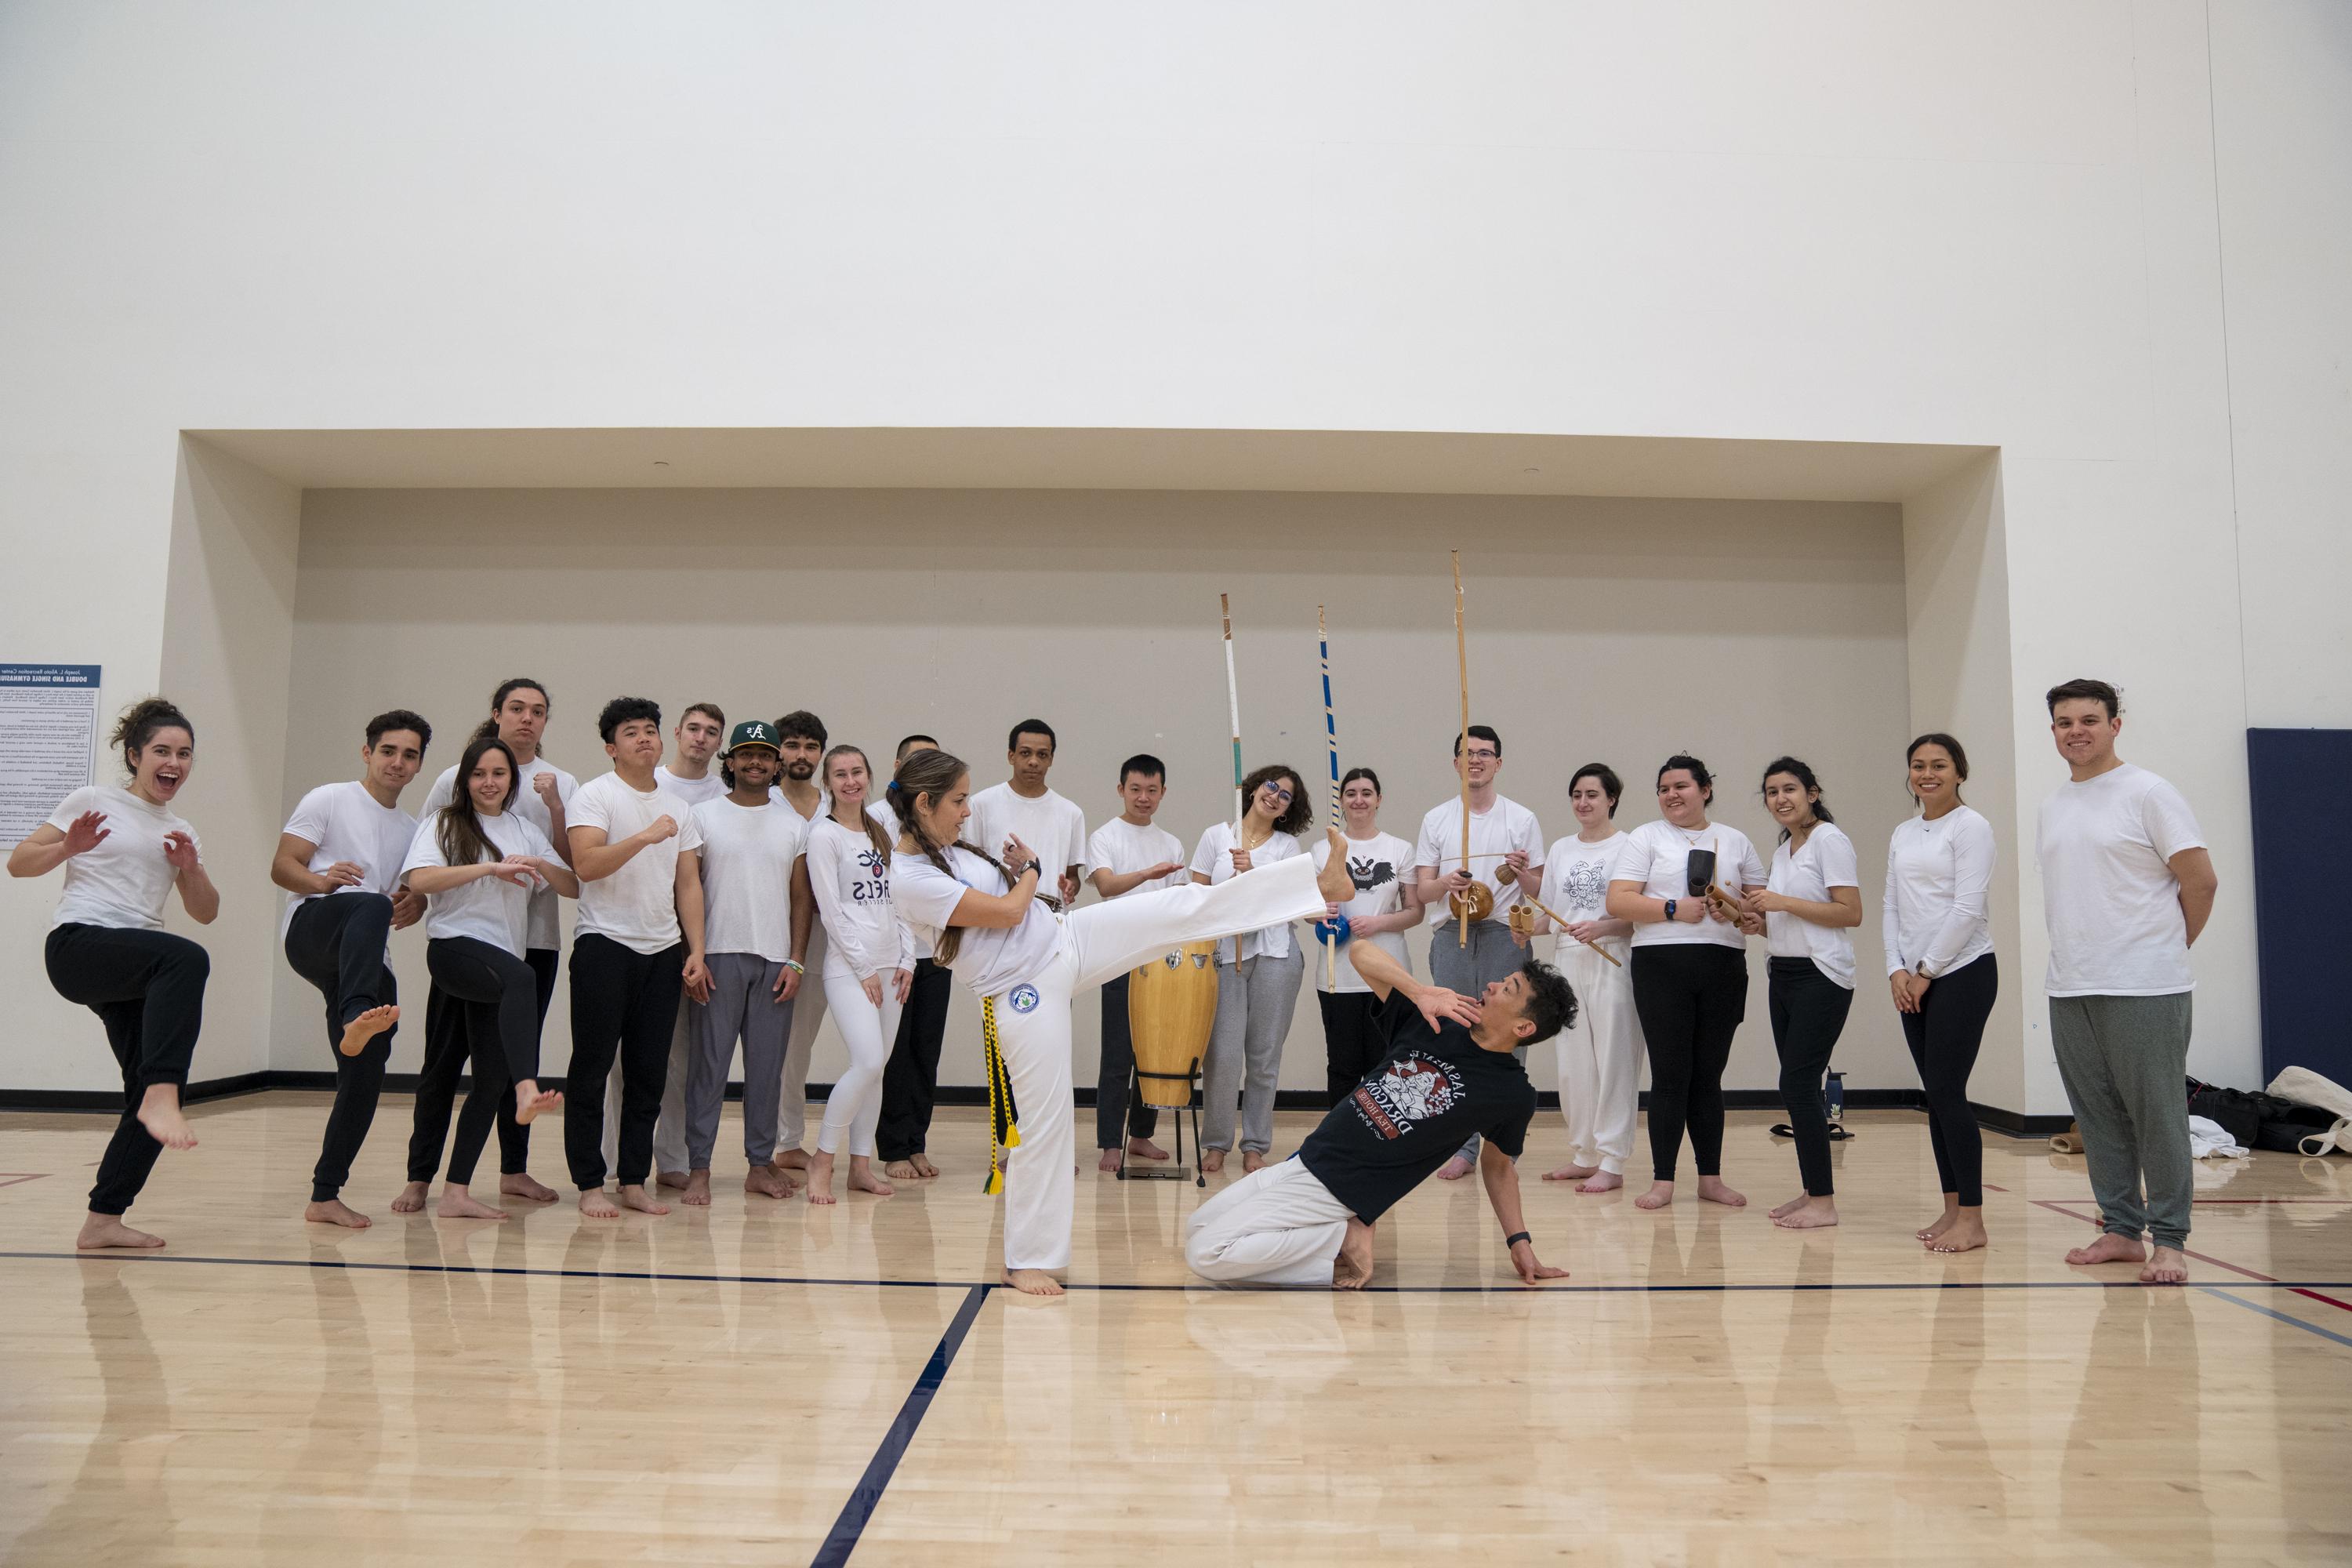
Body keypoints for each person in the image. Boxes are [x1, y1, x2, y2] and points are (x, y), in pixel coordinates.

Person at [887, 748, 1358, 1295]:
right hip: (1024, 991)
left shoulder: (949, 850)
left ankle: (1319, 888)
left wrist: (1017, 871)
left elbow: (1012, 908)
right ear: (923, 804)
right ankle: (1026, 1260)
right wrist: (1033, 869)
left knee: (1181, 905)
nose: (966, 811)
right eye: (958, 801)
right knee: (1046, 1125)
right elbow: (1010, 913)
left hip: (1064, 939)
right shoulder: (912, 877)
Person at [1184, 938, 1575, 1289]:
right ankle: (1339, 1235)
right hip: (1308, 1159)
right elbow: (1359, 952)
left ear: (1523, 1026)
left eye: (1508, 989)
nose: (1491, 985)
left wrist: (1518, 1242)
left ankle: (1340, 1238)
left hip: (1340, 1187)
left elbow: (1499, 1167)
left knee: (1206, 1253)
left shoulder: (1511, 1093)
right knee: (1196, 1226)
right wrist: (1419, 991)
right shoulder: (1438, 1019)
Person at [9, 698, 216, 1251]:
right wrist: (66, 847)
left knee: (142, 1097)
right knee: (187, 958)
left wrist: (191, 869)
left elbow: (205, 911)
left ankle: (103, 1219)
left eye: (184, 754)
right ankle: (163, 1091)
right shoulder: (94, 800)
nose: (174, 762)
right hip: (79, 945)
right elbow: (18, 862)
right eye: (162, 751)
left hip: (135, 965)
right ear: (135, 755)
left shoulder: (182, 829)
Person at [2038, 678, 2217, 1287]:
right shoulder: (2055, 803)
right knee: (2098, 1115)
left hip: (2145, 985)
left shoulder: (2149, 793)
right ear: (2054, 731)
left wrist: (2168, 947)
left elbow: (2201, 881)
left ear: (2117, 724)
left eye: (2089, 719)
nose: (2076, 731)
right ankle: (2120, 1230)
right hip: (2071, 984)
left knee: (2157, 1114)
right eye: (2065, 722)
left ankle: (2170, 1241)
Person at [397, 677, 575, 1212]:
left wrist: (544, 855)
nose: (489, 781)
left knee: (489, 1072)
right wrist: (489, 868)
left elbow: (572, 880)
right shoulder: (448, 815)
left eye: (537, 711)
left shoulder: (533, 813)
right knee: (442, 1067)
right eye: (516, 708)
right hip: (458, 948)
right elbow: (422, 875)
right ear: (496, 713)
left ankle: (458, 1190)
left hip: (516, 948)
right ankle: (420, 1176)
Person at [271, 708, 430, 1229]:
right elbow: (283, 866)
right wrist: (322, 881)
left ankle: (324, 1195)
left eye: (409, 755)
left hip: (364, 952)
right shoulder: (330, 798)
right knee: (368, 903)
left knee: (365, 1075)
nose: (397, 762)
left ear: (419, 765)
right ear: (368, 753)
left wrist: (414, 905)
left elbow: (410, 894)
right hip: (315, 929)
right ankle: (355, 1014)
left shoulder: (413, 829)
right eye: (388, 751)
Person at [564, 697, 710, 1219]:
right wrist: (645, 835)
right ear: (612, 747)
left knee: (649, 1072)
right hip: (605, 945)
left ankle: (632, 1179)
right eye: (632, 733)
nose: (645, 738)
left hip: (662, 950)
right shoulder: (594, 796)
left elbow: (687, 883)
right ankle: (588, 1183)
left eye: (651, 730)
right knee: (593, 1066)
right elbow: (586, 865)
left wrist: (695, 950)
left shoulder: (681, 807)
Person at [1606, 753, 1766, 1211]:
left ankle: (1711, 1178)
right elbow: (1618, 901)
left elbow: (1759, 908)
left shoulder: (1734, 840)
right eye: (1664, 789)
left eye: (1681, 786)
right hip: (1662, 965)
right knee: (1670, 1074)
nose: (1672, 795)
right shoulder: (1646, 837)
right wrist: (1673, 909)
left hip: (1723, 965)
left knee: (1709, 1076)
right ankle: (1663, 1181)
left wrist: (1731, 911)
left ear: (1705, 790)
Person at [681, 720, 813, 1205]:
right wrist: (694, 954)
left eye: (764, 754)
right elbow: (687, 889)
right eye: (745, 754)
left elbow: (802, 899)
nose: (755, 762)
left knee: (766, 1070)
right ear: (730, 761)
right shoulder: (703, 815)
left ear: (777, 764)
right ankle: (699, 1169)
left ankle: (760, 1164)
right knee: (708, 1070)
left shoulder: (793, 825)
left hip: (776, 962)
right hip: (718, 957)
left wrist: (796, 961)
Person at [1412, 724, 1545, 1179]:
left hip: (1505, 935)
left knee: (1507, 1036)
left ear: (1499, 763)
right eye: (1467, 753)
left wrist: (1522, 874)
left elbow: (1538, 888)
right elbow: (1424, 891)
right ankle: (1460, 1144)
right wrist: (1445, 884)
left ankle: (1502, 1145)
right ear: (1455, 763)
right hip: (1453, 934)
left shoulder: (1521, 818)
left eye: (1485, 753)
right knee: (1454, 1032)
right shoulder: (1437, 819)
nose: (1476, 760)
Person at [1884, 732, 1998, 1254]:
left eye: (1939, 765)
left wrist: (1927, 970)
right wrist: (1895, 970)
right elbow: (1892, 907)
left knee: (1949, 1092)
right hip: (1913, 977)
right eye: (1918, 765)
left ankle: (1973, 1219)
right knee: (1936, 1097)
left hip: (1963, 972)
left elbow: (1967, 908)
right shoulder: (1904, 832)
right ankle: (1952, 1208)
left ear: (1959, 772)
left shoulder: (1971, 827)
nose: (1927, 774)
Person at [1743, 757, 1862, 1231]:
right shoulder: (1786, 848)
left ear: (1813, 793)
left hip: (1822, 975)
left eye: (1790, 789)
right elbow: (1785, 919)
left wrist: (1780, 903)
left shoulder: (1831, 841)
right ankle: (1815, 1191)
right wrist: (1756, 920)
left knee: (1796, 1083)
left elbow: (1849, 912)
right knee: (1799, 1087)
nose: (1780, 799)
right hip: (1785, 972)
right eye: (1772, 792)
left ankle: (1824, 1203)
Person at [1515, 763, 1639, 1192]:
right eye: (1577, 795)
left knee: (1613, 1060)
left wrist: (1602, 928)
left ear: (1612, 799)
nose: (1583, 803)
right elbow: (1551, 917)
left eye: (1592, 795)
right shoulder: (1563, 848)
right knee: (1572, 1064)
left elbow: (1637, 916)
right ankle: (1584, 1153)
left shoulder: (1631, 847)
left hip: (1612, 958)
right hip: (1568, 961)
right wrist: (1524, 928)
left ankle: (1613, 1160)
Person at [1190, 764, 1314, 1174]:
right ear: (1254, 788)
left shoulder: (1286, 848)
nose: (1275, 796)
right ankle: (1216, 1143)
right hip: (1227, 955)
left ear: (1287, 810)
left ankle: (1255, 1145)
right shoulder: (1216, 837)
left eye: (1285, 796)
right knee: (1222, 1055)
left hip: (1276, 956)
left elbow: (1289, 899)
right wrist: (1232, 887)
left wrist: (1253, 873)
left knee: (1263, 1057)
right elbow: (1197, 897)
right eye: (1271, 786)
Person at [804, 743, 914, 1203]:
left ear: (869, 776)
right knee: (867, 1061)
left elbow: (902, 900)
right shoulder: (823, 836)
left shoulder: (881, 831)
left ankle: (860, 1167)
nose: (850, 781)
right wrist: (865, 967)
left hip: (893, 966)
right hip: (850, 969)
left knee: (878, 1071)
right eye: (840, 774)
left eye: (857, 772)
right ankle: (822, 1160)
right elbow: (831, 913)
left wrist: (907, 960)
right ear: (827, 783)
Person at [1084, 753, 1189, 1171]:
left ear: (1163, 792)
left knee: (1153, 1053)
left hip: (1160, 962)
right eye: (1135, 789)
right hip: (1118, 958)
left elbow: (1180, 902)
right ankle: (1110, 1141)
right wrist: (1148, 875)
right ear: (1120, 789)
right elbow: (1106, 886)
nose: (1143, 798)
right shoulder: (1105, 836)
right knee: (1117, 1055)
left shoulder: (1172, 842)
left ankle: (1141, 1135)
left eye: (1152, 790)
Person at [648, 701, 729, 1187]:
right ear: (677, 733)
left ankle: (673, 1160)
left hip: (700, 942)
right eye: (693, 728)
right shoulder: (650, 785)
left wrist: (697, 946)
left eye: (711, 732)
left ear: (720, 744)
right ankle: (616, 1163)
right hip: (648, 933)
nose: (700, 737)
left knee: (684, 1058)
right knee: (628, 1060)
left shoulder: (725, 795)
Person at [1309, 766, 1424, 1106]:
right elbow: (1304, 909)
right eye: (1351, 794)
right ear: (1341, 801)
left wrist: (1378, 924)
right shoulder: (1322, 850)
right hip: (1337, 976)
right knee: (1342, 1067)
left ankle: (1381, 1149)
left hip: (1388, 975)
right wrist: (1321, 914)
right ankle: (1340, 1148)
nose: (1358, 800)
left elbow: (1415, 912)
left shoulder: (1399, 849)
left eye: (1366, 793)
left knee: (1386, 1067)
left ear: (1378, 799)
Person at [878, 734, 952, 1181]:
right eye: (915, 760)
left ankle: (917, 1142)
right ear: (898, 766)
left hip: (936, 954)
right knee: (895, 1054)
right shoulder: (875, 819)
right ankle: (892, 1148)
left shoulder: (945, 817)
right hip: (894, 955)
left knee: (926, 1051)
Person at [768, 708, 831, 1172]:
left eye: (810, 746)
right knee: (760, 1041)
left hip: (824, 938)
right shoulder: (759, 801)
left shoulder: (838, 804)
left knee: (799, 1043)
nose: (801, 754)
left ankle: (789, 1139)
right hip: (766, 933)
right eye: (792, 745)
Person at [970, 719, 1089, 911]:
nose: (1034, 761)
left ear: (1050, 759)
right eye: (1025, 753)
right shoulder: (981, 804)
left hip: (1051, 917)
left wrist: (1071, 887)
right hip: (996, 913)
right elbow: (970, 866)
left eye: (1042, 755)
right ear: (1011, 756)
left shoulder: (1071, 813)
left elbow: (1072, 875)